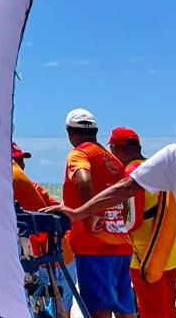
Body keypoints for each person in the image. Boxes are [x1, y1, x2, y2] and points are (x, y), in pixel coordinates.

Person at [59, 109, 137, 318]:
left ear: (69, 133)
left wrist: (90, 215)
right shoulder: (112, 159)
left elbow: (83, 178)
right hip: (121, 244)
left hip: (93, 246)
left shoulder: (79, 153)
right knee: (125, 309)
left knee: (99, 310)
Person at [108, 128, 176, 318]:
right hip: (169, 250)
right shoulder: (157, 167)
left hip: (145, 256)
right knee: (169, 309)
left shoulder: (133, 174)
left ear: (115, 150)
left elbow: (133, 222)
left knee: (151, 310)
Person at [11, 141, 75, 318]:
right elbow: (62, 212)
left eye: (22, 160)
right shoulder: (32, 187)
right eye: (17, 160)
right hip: (59, 256)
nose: (21, 164)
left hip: (45, 259)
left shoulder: (16, 185)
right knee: (60, 311)